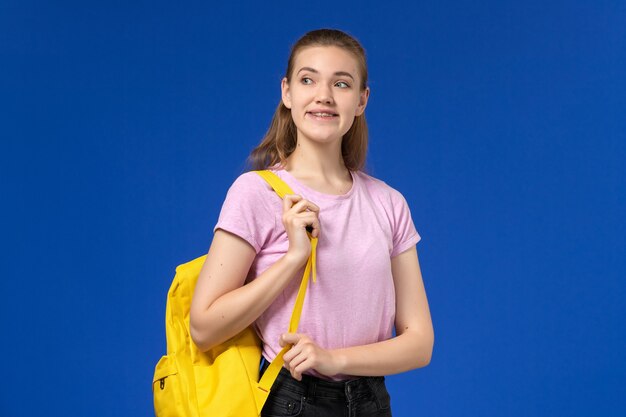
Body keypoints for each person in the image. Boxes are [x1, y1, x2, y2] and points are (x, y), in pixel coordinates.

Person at [189, 28, 434, 417]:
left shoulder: (389, 203)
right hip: (290, 399)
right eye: (308, 79)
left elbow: (420, 344)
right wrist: (292, 258)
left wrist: (333, 359)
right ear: (287, 92)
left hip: (371, 403)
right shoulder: (256, 193)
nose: (324, 95)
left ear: (361, 100)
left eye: (342, 83)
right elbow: (203, 328)